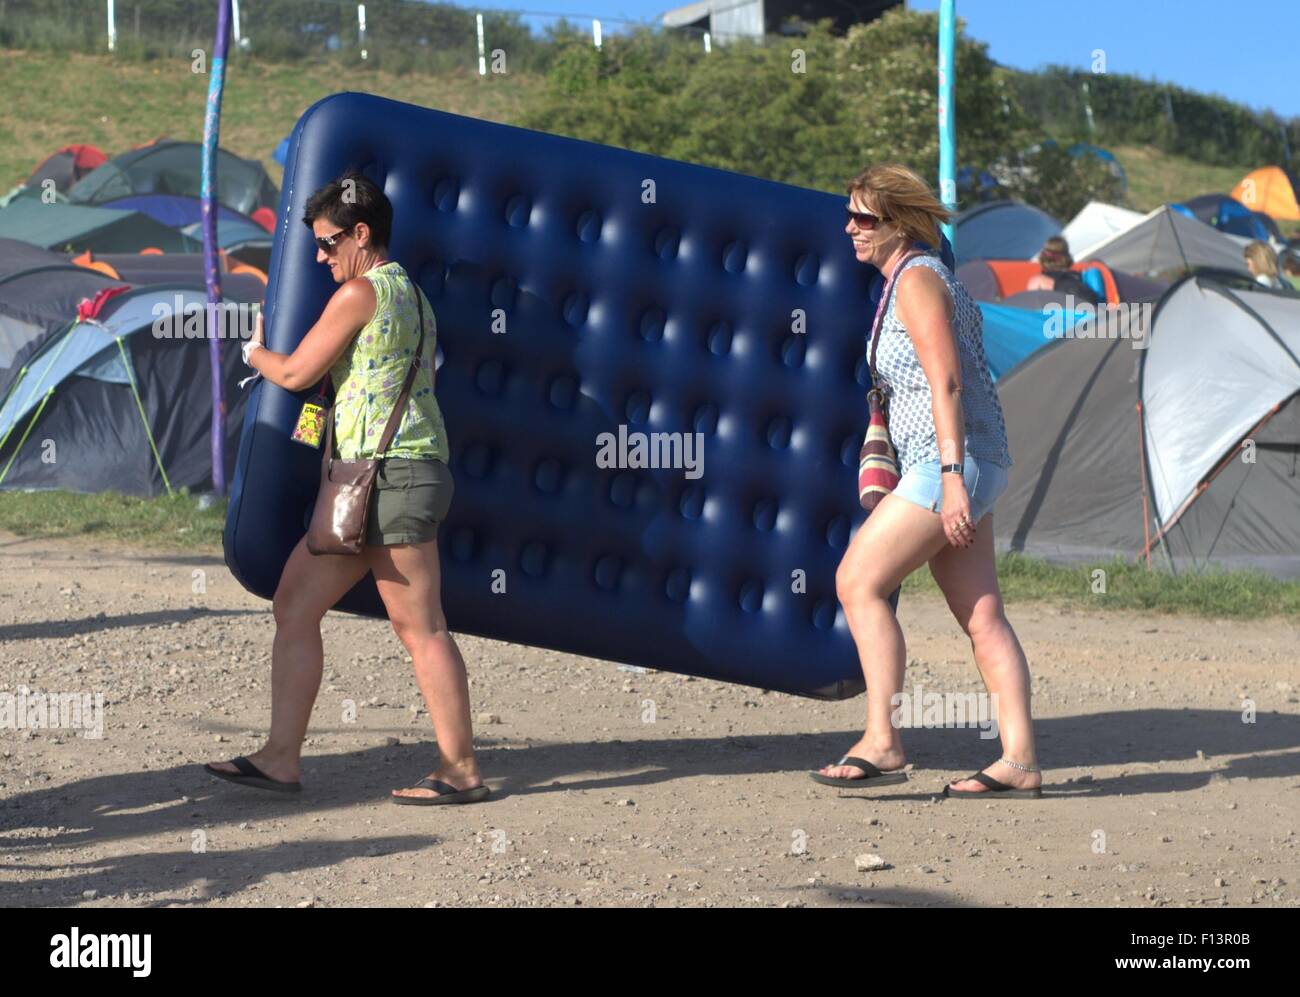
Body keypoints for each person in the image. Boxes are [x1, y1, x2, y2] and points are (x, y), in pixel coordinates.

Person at [205, 170, 487, 806]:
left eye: (329, 242)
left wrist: (253, 356)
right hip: (369, 478)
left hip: (392, 476)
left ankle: (461, 769)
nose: (320, 255)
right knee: (294, 604)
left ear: (363, 235)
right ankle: (280, 758)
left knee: (421, 628)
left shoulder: (361, 292)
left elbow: (300, 370)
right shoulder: (414, 297)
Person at [812, 163, 1041, 798]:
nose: (850, 228)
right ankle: (1019, 761)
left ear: (900, 224)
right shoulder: (921, 277)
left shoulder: (915, 279)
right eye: (850, 214)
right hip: (972, 459)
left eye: (865, 218)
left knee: (857, 580)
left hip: (950, 463)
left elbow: (946, 381)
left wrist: (950, 478)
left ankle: (883, 740)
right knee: (982, 614)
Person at [1026, 235, 1102, 304]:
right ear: (1066, 256)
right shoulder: (1079, 276)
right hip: (1092, 309)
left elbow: (1032, 309)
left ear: (1044, 256)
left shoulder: (1038, 281)